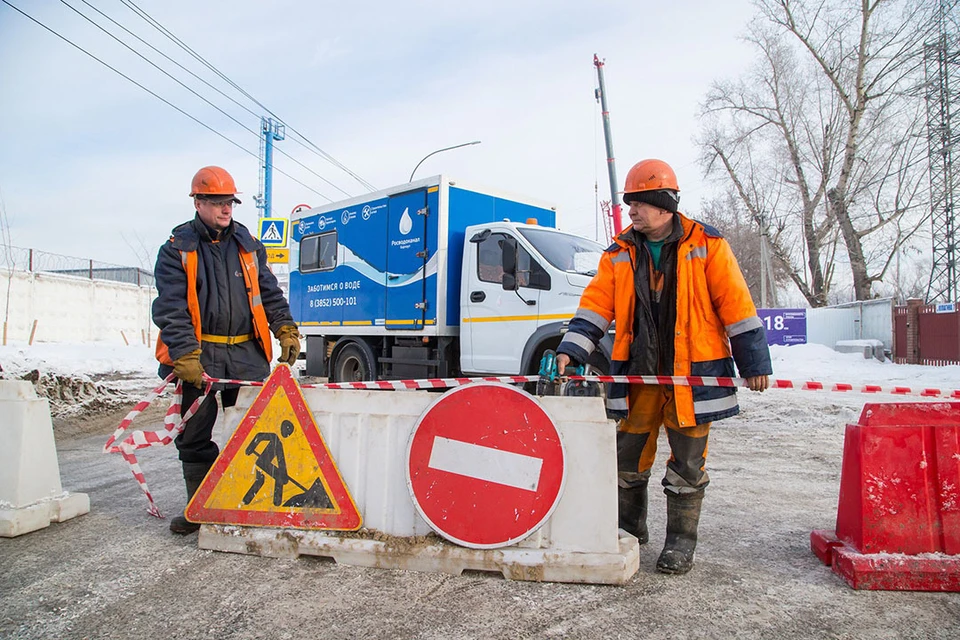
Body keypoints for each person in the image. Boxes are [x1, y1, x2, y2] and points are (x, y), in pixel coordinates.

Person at [556, 159, 772, 574]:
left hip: (692, 377)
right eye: (630, 203)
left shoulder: (708, 244)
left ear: (663, 204)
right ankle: (629, 535)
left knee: (688, 463)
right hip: (639, 378)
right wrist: (572, 350)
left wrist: (754, 362)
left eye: (639, 203)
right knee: (627, 461)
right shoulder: (619, 252)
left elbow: (736, 305)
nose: (632, 211)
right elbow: (596, 306)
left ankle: (680, 544)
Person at [152, 165, 301, 535]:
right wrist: (184, 355)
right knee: (194, 437)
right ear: (198, 202)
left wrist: (285, 329)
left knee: (254, 432)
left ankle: (248, 505)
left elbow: (269, 293)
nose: (226, 209)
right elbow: (172, 307)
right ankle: (199, 508)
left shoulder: (248, 246)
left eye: (229, 202)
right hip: (199, 358)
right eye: (217, 202)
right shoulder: (177, 249)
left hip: (245, 355)